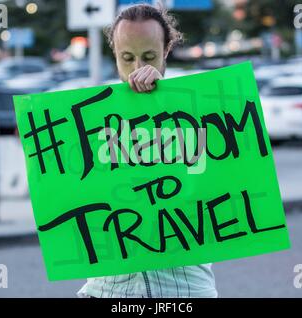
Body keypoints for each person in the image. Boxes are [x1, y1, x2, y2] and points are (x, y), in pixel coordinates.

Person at [77, 3, 218, 298]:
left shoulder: (198, 108)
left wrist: (163, 105)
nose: (137, 68)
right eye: (127, 57)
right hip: (107, 291)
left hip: (183, 292)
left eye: (149, 56)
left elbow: (208, 187)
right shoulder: (90, 121)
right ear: (114, 54)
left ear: (167, 50)